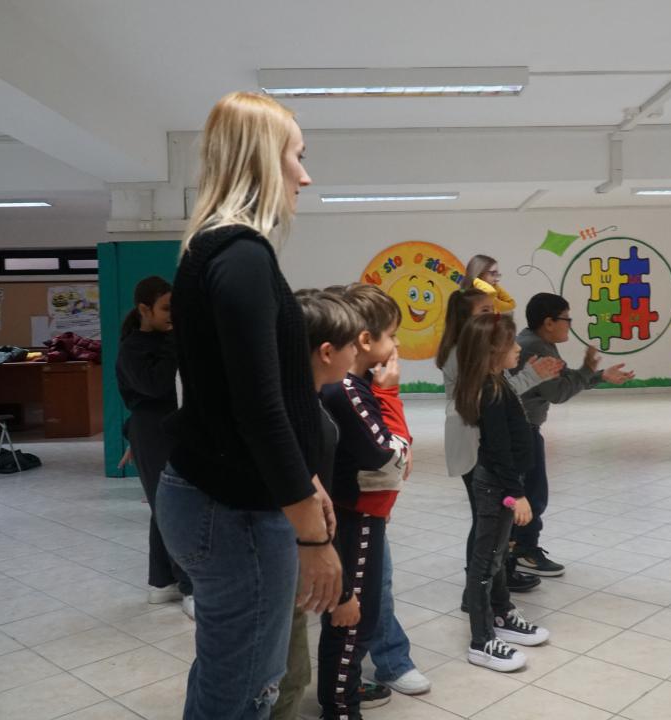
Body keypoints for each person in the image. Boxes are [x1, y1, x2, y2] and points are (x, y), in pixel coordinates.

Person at [156, 91, 341, 720]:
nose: (304, 176)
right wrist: (313, 537)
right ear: (262, 158)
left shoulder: (216, 250)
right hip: (231, 509)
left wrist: (306, 479)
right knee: (245, 693)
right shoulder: (241, 256)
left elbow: (260, 394)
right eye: (297, 156)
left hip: (222, 497)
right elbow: (258, 409)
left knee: (229, 677)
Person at [318, 283, 410, 720]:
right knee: (351, 617)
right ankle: (341, 707)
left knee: (359, 613)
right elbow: (387, 455)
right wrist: (390, 396)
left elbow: (393, 456)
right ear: (366, 340)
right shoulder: (347, 391)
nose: (397, 345)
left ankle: (346, 689)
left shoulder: (357, 386)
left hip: (364, 513)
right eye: (392, 335)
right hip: (354, 517)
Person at [436, 287, 563, 600]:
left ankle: (496, 579)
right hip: (475, 445)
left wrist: (532, 376)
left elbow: (499, 390)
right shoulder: (462, 353)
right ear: (465, 319)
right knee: (486, 521)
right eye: (484, 312)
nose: (493, 315)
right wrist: (531, 377)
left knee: (492, 521)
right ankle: (481, 589)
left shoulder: (475, 353)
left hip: (481, 443)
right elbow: (489, 396)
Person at [273, 290, 363, 720]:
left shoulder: (300, 402)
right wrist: (342, 592)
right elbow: (318, 509)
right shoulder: (302, 416)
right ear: (326, 352)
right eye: (352, 345)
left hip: (287, 555)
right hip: (286, 556)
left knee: (286, 671)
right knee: (288, 676)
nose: (357, 353)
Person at [512, 293, 635, 577]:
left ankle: (516, 548)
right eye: (566, 318)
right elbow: (559, 392)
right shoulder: (535, 348)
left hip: (523, 427)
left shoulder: (539, 342)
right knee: (533, 494)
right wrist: (590, 370)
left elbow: (567, 378)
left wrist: (599, 375)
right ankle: (524, 551)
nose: (570, 324)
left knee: (528, 491)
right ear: (549, 322)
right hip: (521, 430)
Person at [454, 313, 550, 672]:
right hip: (496, 485)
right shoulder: (490, 391)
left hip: (500, 483)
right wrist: (516, 494)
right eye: (511, 344)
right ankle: (481, 641)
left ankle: (502, 614)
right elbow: (497, 450)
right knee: (485, 563)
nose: (518, 349)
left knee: (496, 557)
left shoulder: (497, 382)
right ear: (493, 350)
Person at [115, 275, 193, 618]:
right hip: (153, 432)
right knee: (173, 508)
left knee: (167, 506)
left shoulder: (167, 340)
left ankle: (162, 582)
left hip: (170, 429)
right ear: (144, 309)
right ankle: (190, 587)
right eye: (166, 308)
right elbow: (155, 387)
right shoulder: (134, 347)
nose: (172, 314)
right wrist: (178, 342)